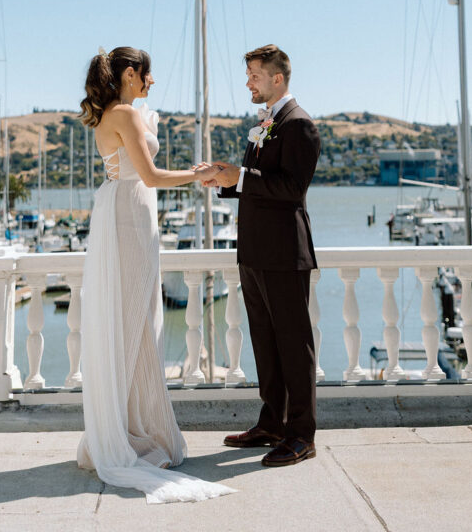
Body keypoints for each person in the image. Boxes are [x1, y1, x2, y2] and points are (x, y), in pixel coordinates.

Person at [75, 46, 233, 504]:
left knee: (136, 322)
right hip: (129, 212)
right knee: (134, 323)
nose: (152, 82)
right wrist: (199, 173)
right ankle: (130, 436)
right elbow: (149, 176)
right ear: (130, 74)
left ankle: (132, 429)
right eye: (147, 74)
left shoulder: (115, 113)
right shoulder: (124, 113)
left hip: (122, 211)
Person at [202, 44, 321, 467]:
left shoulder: (299, 124)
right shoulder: (267, 122)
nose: (248, 82)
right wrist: (225, 180)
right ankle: (272, 423)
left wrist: (243, 176)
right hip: (254, 253)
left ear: (277, 78)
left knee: (294, 346)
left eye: (254, 74)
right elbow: (260, 183)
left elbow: (292, 189)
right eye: (249, 74)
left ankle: (302, 435)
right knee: (265, 345)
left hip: (285, 254)